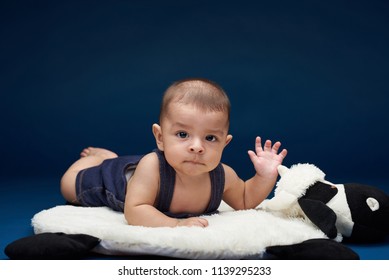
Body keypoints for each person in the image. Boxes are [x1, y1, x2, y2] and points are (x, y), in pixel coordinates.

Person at [60, 78, 287, 228]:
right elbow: (135, 210)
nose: (197, 147)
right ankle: (99, 158)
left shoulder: (222, 175)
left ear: (224, 144)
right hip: (113, 180)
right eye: (182, 134)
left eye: (210, 138)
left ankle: (112, 157)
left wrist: (265, 176)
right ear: (160, 137)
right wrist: (176, 225)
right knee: (68, 186)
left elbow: (245, 201)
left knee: (134, 166)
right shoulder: (152, 166)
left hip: (144, 170)